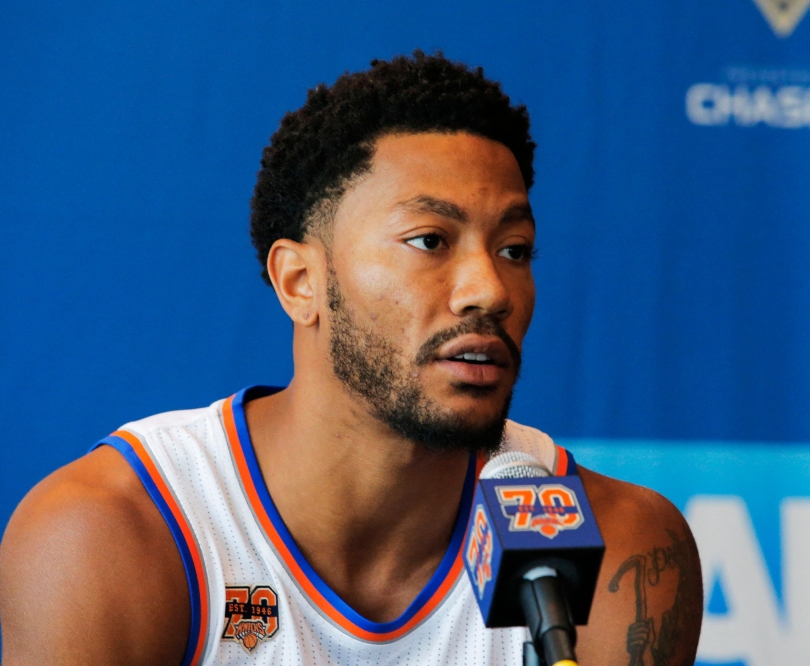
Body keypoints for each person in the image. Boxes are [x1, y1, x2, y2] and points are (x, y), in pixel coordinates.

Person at [0, 51, 702, 666]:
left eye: (514, 250)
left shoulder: (622, 549)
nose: (490, 289)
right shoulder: (116, 534)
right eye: (430, 240)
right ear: (300, 283)